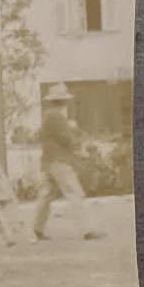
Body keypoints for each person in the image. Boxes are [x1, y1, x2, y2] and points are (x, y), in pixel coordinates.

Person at [31, 82, 104, 241]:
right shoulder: (57, 116)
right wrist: (74, 131)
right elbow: (66, 139)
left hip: (48, 160)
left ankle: (36, 229)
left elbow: (40, 136)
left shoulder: (48, 116)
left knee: (46, 196)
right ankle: (87, 230)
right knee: (74, 193)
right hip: (60, 161)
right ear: (64, 101)